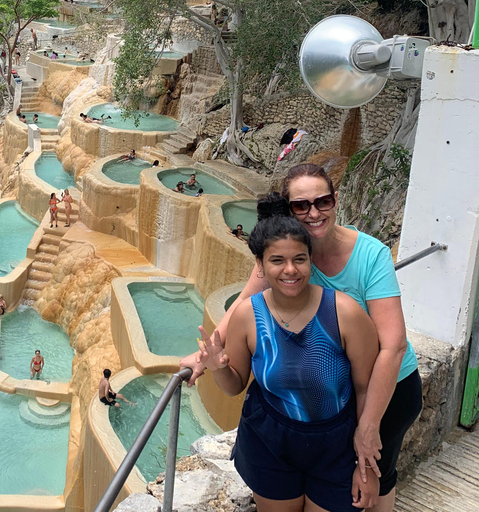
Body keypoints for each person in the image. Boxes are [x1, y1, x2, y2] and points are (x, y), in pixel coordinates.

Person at [181, 163, 422, 512]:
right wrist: (206, 352)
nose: (313, 213)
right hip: (329, 386)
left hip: (387, 381)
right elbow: (247, 301)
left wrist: (368, 426)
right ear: (289, 208)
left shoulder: (370, 256)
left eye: (322, 202)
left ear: (335, 201)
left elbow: (393, 345)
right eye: (301, 205)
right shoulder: (286, 250)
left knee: (375, 477)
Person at [195, 193, 379, 511]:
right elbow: (234, 385)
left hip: (336, 444)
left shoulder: (345, 313)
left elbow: (367, 389)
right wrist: (219, 367)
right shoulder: (247, 316)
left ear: (311, 259)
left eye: (299, 259)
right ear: (261, 265)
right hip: (269, 442)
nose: (290, 270)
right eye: (277, 260)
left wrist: (368, 465)